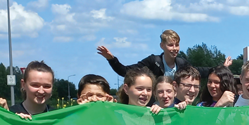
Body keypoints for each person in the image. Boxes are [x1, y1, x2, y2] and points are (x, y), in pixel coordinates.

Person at [97, 29, 232, 79]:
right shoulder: (152, 61)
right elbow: (126, 71)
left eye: (177, 45)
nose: (174, 48)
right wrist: (111, 59)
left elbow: (200, 72)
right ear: (162, 46)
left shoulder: (182, 63)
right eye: (170, 45)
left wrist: (222, 67)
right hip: (157, 106)